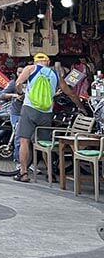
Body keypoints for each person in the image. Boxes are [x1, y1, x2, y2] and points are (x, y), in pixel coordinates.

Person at [14, 51, 77, 183]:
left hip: (29, 109)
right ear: (48, 62)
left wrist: (21, 93)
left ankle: (23, 173)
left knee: (24, 140)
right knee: (44, 143)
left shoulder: (30, 68)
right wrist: (81, 107)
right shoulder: (55, 74)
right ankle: (50, 173)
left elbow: (18, 84)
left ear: (35, 61)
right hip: (46, 112)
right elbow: (69, 93)